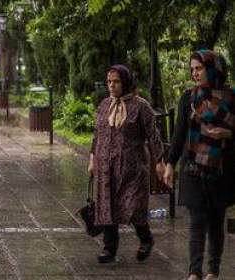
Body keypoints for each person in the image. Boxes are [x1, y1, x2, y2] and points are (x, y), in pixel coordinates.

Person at [163, 50, 235, 280]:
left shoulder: (231, 98)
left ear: (213, 69)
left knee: (216, 222)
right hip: (193, 167)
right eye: (192, 69)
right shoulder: (188, 98)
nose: (195, 73)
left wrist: (228, 133)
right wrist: (169, 164)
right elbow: (179, 134)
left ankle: (213, 270)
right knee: (196, 221)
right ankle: (194, 272)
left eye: (199, 68)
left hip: (221, 168)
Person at [88, 64, 164, 264]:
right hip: (106, 166)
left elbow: (153, 136)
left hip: (132, 168)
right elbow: (97, 135)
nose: (111, 86)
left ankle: (146, 239)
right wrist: (92, 159)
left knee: (134, 207)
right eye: (109, 82)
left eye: (116, 82)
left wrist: (160, 162)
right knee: (108, 206)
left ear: (126, 82)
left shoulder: (141, 106)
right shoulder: (105, 105)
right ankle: (109, 249)